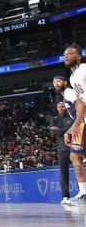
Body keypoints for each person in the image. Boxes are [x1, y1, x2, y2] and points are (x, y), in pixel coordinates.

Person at [54, 73, 86, 204]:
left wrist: (76, 126)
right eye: (54, 82)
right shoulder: (66, 95)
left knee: (74, 157)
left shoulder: (68, 92)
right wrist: (68, 131)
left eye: (59, 81)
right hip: (81, 123)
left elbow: (81, 106)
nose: (56, 83)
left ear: (65, 83)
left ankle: (83, 193)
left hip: (83, 123)